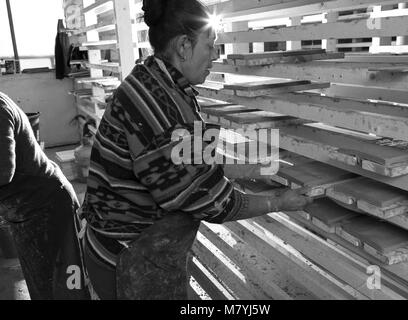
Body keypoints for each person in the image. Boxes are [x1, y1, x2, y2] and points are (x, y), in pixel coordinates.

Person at [79, 0, 313, 300]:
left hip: (137, 250)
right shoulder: (160, 109)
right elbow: (214, 202)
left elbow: (191, 158)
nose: (216, 55)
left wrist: (258, 168)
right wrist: (279, 202)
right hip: (128, 260)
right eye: (210, 45)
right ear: (184, 46)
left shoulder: (161, 82)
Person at [0, 91, 89, 300]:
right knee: (41, 284)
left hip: (48, 206)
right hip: (24, 211)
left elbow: (3, 172)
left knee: (66, 286)